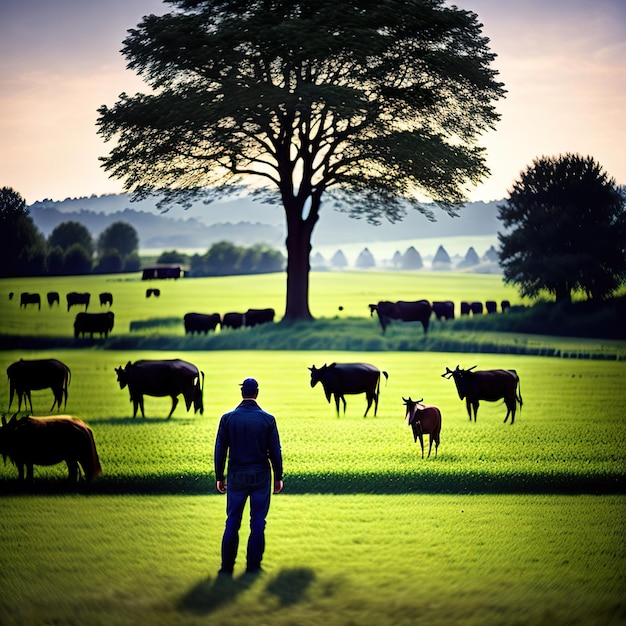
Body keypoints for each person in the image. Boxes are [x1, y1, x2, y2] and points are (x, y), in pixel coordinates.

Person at [214, 377, 283, 576]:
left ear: (242, 392)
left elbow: (220, 449)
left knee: (232, 521)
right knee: (258, 523)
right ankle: (253, 568)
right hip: (261, 476)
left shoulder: (227, 418)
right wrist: (278, 476)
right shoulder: (268, 419)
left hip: (236, 475)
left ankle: (226, 569)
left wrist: (220, 476)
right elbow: (275, 450)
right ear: (257, 393)